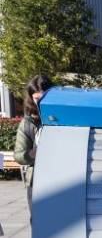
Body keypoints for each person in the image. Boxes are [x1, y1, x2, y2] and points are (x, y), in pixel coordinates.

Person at [14, 75, 54, 215]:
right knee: (38, 221)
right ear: (31, 98)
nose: (41, 102)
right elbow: (19, 155)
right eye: (37, 99)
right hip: (36, 180)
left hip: (60, 175)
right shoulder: (27, 123)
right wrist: (32, 153)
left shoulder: (62, 118)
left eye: (45, 98)